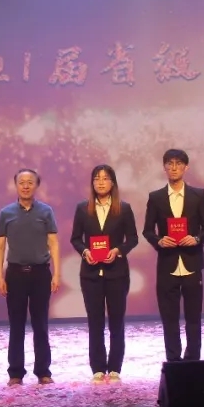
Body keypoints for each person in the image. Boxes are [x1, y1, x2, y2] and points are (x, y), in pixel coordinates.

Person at [142, 149, 204, 362]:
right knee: (169, 318)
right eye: (170, 163)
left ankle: (193, 361)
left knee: (193, 318)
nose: (174, 168)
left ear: (186, 167)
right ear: (164, 167)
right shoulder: (156, 197)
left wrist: (197, 239)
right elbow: (148, 230)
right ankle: (174, 361)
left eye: (178, 163)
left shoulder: (198, 195)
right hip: (167, 264)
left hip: (192, 263)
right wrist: (159, 241)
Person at [70, 164, 139, 384]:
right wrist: (85, 252)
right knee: (95, 321)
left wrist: (118, 251)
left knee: (117, 321)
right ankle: (98, 368)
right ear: (92, 183)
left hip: (117, 273)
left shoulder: (124, 208)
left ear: (113, 182)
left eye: (105, 178)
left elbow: (133, 238)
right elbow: (75, 239)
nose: (101, 182)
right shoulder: (83, 208)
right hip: (90, 274)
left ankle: (115, 367)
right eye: (97, 178)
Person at [0, 168, 61, 386]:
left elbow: (53, 243)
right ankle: (15, 373)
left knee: (41, 325)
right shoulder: (6, 213)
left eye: (30, 182)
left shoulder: (46, 211)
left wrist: (57, 273)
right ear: (15, 185)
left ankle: (43, 371)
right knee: (16, 325)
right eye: (21, 182)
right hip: (15, 274)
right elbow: (0, 247)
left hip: (40, 273)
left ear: (36, 185)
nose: (25, 186)